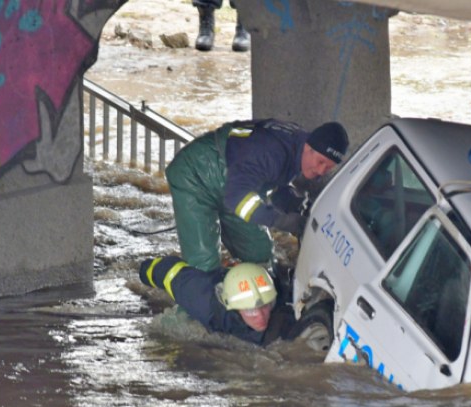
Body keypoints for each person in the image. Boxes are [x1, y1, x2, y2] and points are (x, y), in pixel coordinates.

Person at [166, 119, 350, 272]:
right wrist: (282, 221)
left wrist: (295, 205)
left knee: (259, 253)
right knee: (204, 264)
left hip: (237, 183)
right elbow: (236, 200)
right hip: (197, 175)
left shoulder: (298, 147)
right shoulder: (273, 153)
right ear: (309, 148)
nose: (320, 170)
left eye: (328, 167)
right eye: (320, 162)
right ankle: (196, 312)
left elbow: (271, 183)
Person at [139, 256, 296, 346]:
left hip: (254, 277)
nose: (261, 317)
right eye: (251, 311)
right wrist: (144, 271)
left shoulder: (279, 296)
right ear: (233, 307)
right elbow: (169, 272)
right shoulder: (204, 303)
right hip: (211, 285)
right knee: (175, 324)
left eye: (265, 307)